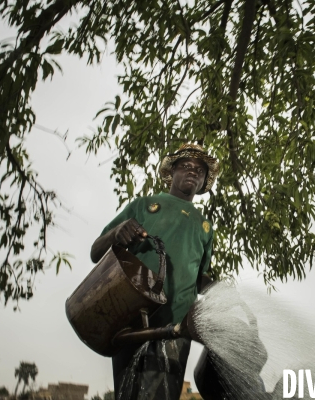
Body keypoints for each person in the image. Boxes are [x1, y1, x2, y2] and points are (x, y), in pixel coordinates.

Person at [90, 143, 219, 400]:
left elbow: (200, 278)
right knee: (128, 394)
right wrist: (117, 233)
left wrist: (219, 289)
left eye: (200, 170)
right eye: (186, 166)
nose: (193, 172)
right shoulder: (144, 206)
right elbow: (96, 252)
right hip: (130, 321)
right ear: (172, 171)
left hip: (175, 330)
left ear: (205, 180)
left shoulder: (205, 227)